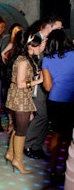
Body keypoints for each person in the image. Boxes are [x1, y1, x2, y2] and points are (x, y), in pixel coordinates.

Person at [24, 15, 63, 160]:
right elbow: (26, 57)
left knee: (45, 117)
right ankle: (28, 145)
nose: (60, 30)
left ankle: (36, 147)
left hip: (48, 83)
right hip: (35, 84)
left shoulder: (52, 41)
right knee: (42, 115)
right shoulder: (34, 38)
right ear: (48, 26)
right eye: (57, 28)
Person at [5, 31, 43, 174]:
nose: (40, 48)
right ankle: (17, 160)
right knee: (21, 131)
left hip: (23, 97)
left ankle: (10, 153)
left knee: (19, 126)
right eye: (38, 45)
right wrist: (37, 81)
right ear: (30, 46)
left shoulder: (29, 58)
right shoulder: (22, 61)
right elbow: (21, 84)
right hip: (19, 98)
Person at [41, 29, 74, 184]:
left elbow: (47, 87)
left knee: (56, 134)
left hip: (55, 101)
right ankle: (67, 169)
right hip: (72, 101)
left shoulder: (47, 59)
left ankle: (53, 170)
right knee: (69, 137)